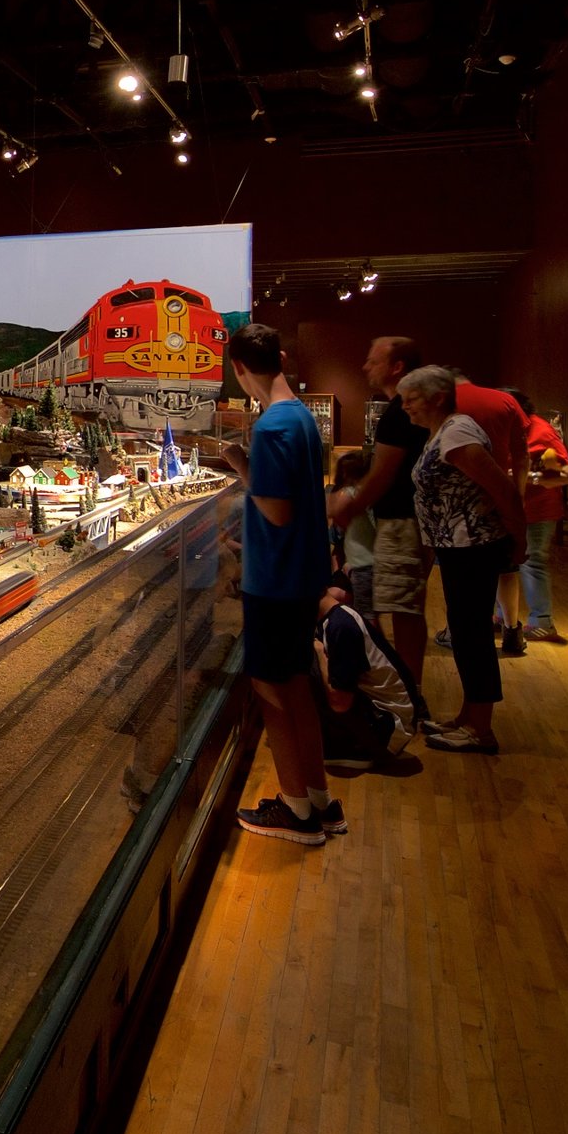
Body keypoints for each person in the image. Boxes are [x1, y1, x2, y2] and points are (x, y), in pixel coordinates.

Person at [218, 321, 338, 844]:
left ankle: (295, 811)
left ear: (240, 369)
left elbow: (277, 509)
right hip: (302, 571)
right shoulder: (302, 418)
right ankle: (316, 800)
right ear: (282, 358)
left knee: (271, 689)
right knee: (296, 685)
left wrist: (243, 468)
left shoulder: (270, 427)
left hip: (275, 583)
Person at [397, 365, 528, 752]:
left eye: (411, 400)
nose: (405, 408)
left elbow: (503, 490)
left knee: (472, 636)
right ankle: (468, 716)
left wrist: (519, 542)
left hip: (473, 548)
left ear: (437, 398)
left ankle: (480, 729)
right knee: (467, 632)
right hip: (458, 549)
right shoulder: (445, 432)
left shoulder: (456, 434)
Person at [325, 337, 431, 700]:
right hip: (404, 520)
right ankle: (403, 685)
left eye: (374, 361)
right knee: (399, 608)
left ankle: (409, 693)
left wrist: (348, 508)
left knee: (403, 609)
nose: (366, 367)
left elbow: (385, 472)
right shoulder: (400, 408)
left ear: (397, 366)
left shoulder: (400, 410)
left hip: (403, 520)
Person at [433, 375, 532, 657]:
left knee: (459, 574)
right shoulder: (505, 400)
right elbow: (521, 454)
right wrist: (518, 495)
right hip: (500, 496)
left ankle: (457, 630)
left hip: (457, 504)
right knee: (506, 568)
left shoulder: (442, 402)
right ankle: (512, 631)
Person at [316, 580, 417, 770]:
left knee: (311, 667)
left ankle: (352, 749)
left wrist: (320, 653)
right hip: (386, 721)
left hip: (387, 732)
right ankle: (342, 742)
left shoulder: (341, 626)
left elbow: (340, 702)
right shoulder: (338, 616)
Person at [507, 390, 568, 643]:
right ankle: (502, 617)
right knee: (504, 564)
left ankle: (542, 622)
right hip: (511, 507)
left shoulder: (541, 432)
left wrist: (529, 477)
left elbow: (565, 475)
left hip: (537, 510)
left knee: (532, 562)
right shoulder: (510, 427)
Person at [330, 449, 379, 617]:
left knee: (365, 615)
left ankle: (369, 643)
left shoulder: (351, 494)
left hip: (362, 563)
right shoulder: (366, 494)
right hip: (364, 562)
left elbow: (335, 511)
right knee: (368, 612)